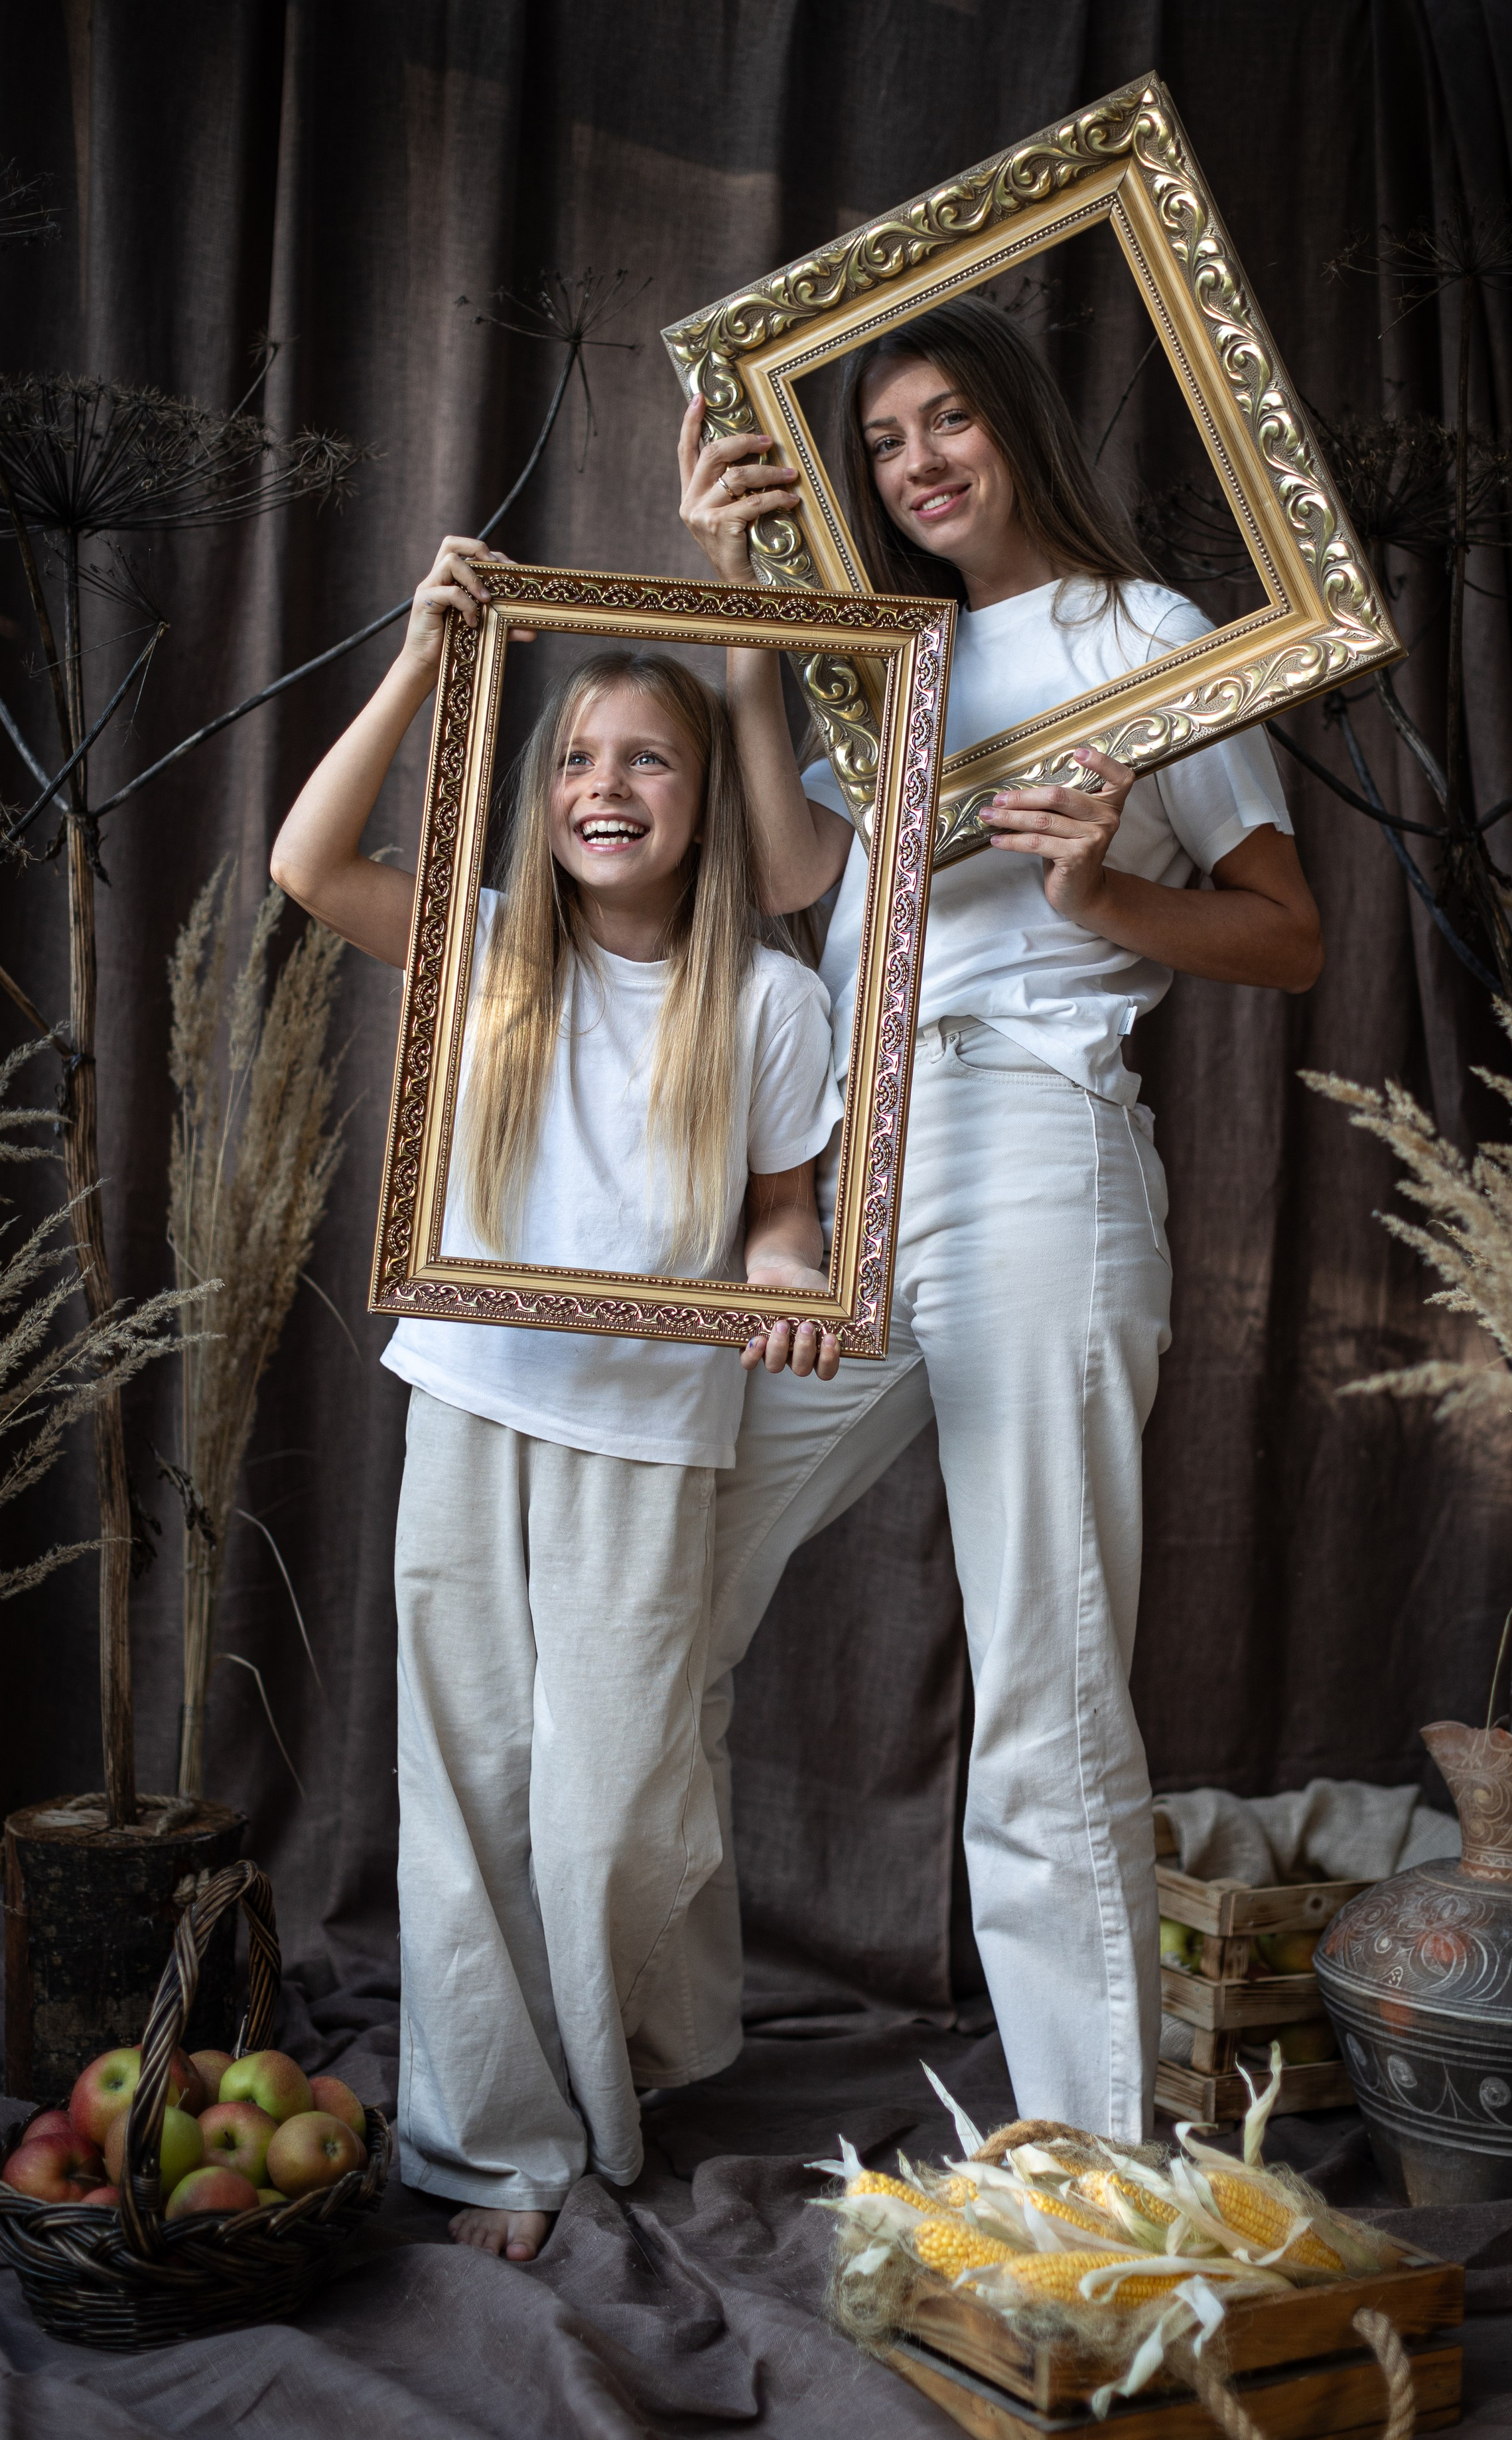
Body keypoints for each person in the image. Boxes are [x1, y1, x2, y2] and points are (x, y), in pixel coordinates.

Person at [672, 295, 1324, 2145]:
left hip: (1040, 1141)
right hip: (869, 1154)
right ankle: (634, 2044)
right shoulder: (898, 649)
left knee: (1043, 1675)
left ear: (1020, 427)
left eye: (946, 422)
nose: (916, 465)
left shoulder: (1143, 637)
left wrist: (1110, 892)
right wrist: (747, 625)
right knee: (667, 1571)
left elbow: (1289, 929)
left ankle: (1102, 2168)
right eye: (883, 443)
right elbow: (810, 880)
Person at [269, 543, 841, 2259]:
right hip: (471, 1397)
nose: (610, 786)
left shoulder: (774, 999)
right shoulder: (492, 945)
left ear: (704, 798)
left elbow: (781, 1222)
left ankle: (637, 2053)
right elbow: (308, 864)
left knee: (609, 1805)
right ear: (543, 790)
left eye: (649, 757)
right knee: (469, 1780)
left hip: (652, 1437)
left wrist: (794, 1286)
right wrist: (428, 659)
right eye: (580, 756)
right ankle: (505, 2145)